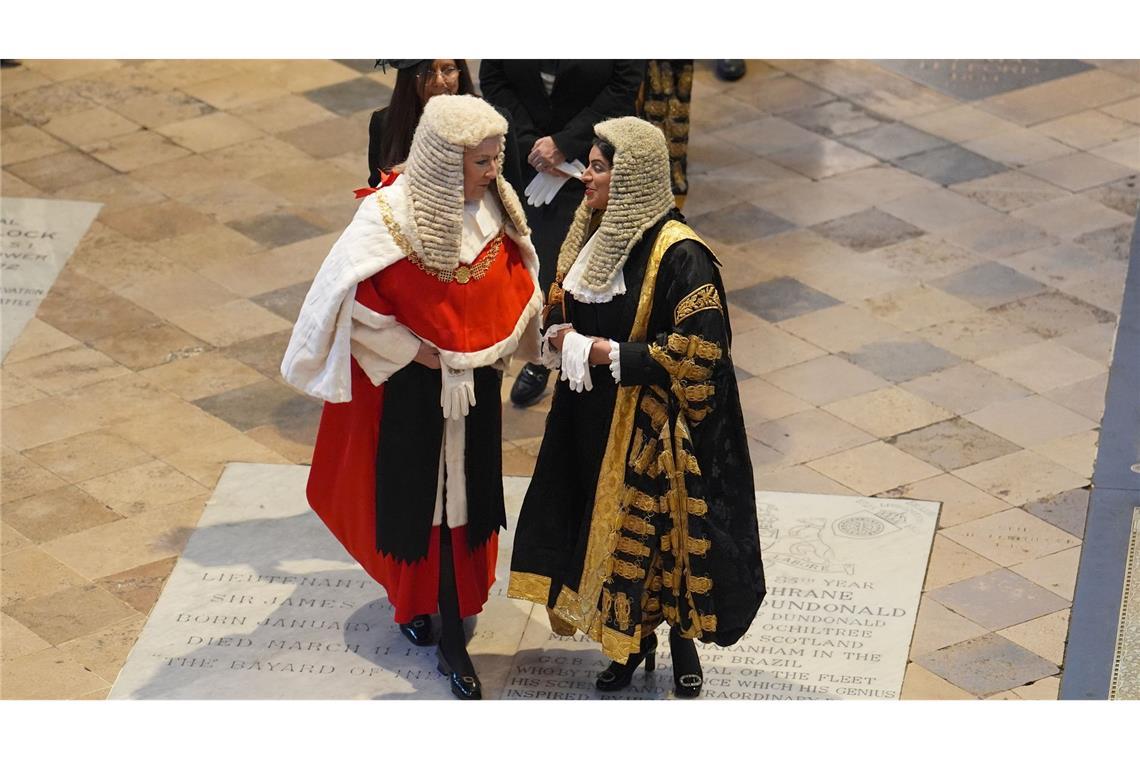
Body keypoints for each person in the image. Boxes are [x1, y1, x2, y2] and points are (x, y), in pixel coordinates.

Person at [283, 94, 542, 700]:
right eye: (481, 161)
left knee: (469, 491)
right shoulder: (389, 216)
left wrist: (499, 338)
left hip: (474, 380)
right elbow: (354, 299)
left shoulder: (494, 203)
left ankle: (456, 603)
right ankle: (418, 601)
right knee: (416, 496)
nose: (494, 172)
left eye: (495, 158)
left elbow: (513, 269)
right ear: (447, 162)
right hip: (412, 388)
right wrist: (411, 348)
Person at [507, 116, 765, 699]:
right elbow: (560, 295)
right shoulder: (591, 230)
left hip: (653, 430)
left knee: (659, 546)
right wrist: (556, 334)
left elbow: (700, 353)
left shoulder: (683, 255)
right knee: (602, 540)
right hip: (588, 418)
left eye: (598, 168)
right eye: (591, 166)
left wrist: (604, 352)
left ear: (632, 179)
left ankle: (680, 643)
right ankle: (628, 645)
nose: (587, 177)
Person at [479, 59, 645, 407]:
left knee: (600, 270)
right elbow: (494, 78)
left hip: (599, 155)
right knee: (538, 264)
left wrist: (566, 144)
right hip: (527, 160)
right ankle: (543, 353)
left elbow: (624, 83)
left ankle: (597, 357)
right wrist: (533, 149)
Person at [367, 59, 521, 191]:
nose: (439, 81)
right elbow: (378, 189)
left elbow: (511, 189)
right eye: (428, 72)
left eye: (448, 70)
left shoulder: (493, 122)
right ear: (409, 78)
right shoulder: (384, 123)